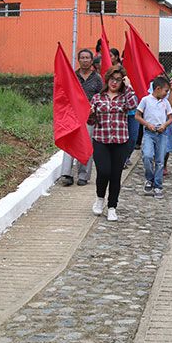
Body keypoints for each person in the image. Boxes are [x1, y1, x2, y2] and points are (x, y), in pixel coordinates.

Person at [89, 65, 137, 221]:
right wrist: (90, 113)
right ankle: (100, 198)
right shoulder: (97, 98)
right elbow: (90, 121)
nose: (114, 83)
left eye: (118, 80)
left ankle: (112, 206)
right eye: (112, 79)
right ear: (107, 79)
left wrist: (129, 87)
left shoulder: (125, 96)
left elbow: (133, 106)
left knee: (115, 175)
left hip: (120, 140)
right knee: (103, 171)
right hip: (101, 139)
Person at [60, 48, 103, 187]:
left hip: (89, 117)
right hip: (72, 115)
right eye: (82, 58)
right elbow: (65, 93)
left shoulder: (97, 78)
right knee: (70, 142)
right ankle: (67, 174)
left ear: (91, 60)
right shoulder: (72, 76)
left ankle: (83, 175)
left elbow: (101, 97)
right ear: (78, 60)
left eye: (87, 58)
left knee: (86, 144)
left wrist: (94, 108)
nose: (85, 60)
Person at [135, 76, 172, 199]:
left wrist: (165, 125)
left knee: (160, 160)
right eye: (165, 91)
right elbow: (138, 115)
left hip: (162, 133)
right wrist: (147, 124)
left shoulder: (165, 103)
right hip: (149, 132)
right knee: (147, 156)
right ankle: (149, 178)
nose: (166, 94)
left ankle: (158, 185)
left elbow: (171, 117)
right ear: (158, 88)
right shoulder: (146, 100)